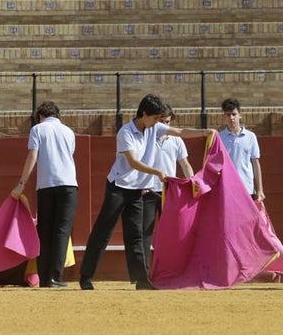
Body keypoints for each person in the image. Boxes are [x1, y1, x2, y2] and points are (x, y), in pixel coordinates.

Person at [78, 93, 211, 291]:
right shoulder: (126, 132)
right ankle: (85, 277)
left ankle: (141, 280)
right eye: (155, 117)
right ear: (144, 114)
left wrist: (205, 132)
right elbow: (132, 162)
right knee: (103, 231)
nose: (158, 122)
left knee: (136, 236)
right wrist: (156, 171)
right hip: (118, 187)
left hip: (137, 190)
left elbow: (180, 131)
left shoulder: (154, 128)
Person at [11, 101, 78, 289]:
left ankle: (44, 275)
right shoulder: (69, 132)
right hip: (69, 185)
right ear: (57, 115)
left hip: (46, 185)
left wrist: (21, 184)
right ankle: (55, 277)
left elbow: (32, 156)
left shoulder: (38, 130)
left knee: (45, 231)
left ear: (40, 116)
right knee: (62, 232)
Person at [141, 105, 196, 276]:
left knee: (170, 233)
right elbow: (138, 161)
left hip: (169, 192)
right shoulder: (147, 136)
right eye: (162, 122)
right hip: (148, 190)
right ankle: (143, 274)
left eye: (167, 122)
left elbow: (185, 165)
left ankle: (168, 270)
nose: (164, 126)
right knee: (145, 232)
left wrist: (193, 184)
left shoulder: (177, 140)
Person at [219, 98, 264, 201]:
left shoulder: (250, 136)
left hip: (247, 189)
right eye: (228, 115)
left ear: (240, 115)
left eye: (234, 114)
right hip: (227, 189)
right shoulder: (219, 138)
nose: (231, 118)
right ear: (224, 116)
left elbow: (255, 163)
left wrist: (260, 190)